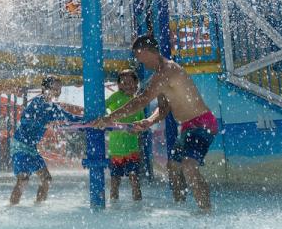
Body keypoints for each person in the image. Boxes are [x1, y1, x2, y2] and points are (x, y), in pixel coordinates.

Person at [93, 34, 218, 211]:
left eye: (137, 56)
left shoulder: (167, 71)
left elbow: (141, 100)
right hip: (188, 127)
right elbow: (164, 107)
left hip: (202, 124)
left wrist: (108, 119)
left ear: (143, 51)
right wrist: (149, 121)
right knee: (173, 167)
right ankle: (180, 206)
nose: (138, 61)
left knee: (189, 166)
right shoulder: (159, 76)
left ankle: (206, 211)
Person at [9, 76, 82, 205]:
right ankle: (11, 207)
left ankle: (38, 206)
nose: (57, 92)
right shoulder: (37, 103)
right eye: (54, 88)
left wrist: (89, 121)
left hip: (31, 148)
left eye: (59, 89)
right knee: (23, 179)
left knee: (46, 179)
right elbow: (25, 120)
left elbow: (71, 118)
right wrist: (44, 124)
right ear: (44, 89)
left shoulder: (54, 108)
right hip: (20, 145)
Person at [105, 70, 144, 202]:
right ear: (119, 85)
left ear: (136, 83)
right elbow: (102, 107)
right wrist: (107, 118)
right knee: (115, 182)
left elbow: (142, 122)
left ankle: (138, 206)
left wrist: (137, 130)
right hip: (116, 149)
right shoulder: (116, 97)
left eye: (130, 82)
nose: (127, 85)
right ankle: (114, 206)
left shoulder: (138, 101)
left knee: (135, 180)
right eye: (123, 83)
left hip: (132, 149)